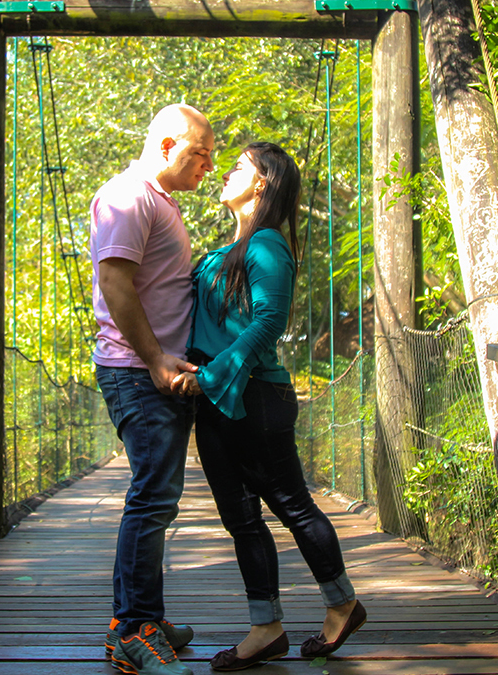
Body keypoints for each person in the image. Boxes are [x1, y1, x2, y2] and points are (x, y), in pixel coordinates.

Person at [171, 142, 366, 671]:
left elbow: (269, 322)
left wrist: (212, 373)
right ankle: (267, 627)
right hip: (216, 401)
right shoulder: (229, 250)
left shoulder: (266, 246)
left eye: (238, 166)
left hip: (255, 397)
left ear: (262, 183)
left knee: (292, 506)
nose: (223, 172)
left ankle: (342, 604)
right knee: (240, 519)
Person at [91, 104, 216, 675]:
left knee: (157, 497)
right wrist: (154, 359)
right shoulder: (129, 195)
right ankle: (134, 629)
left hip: (153, 370)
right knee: (153, 497)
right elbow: (114, 281)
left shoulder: (158, 200)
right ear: (167, 146)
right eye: (200, 153)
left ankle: (141, 617)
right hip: (137, 372)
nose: (208, 166)